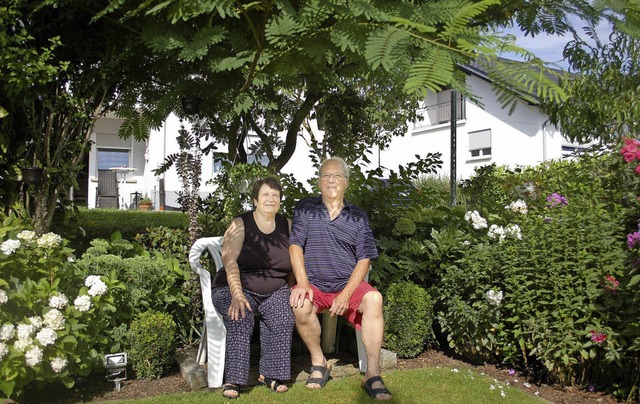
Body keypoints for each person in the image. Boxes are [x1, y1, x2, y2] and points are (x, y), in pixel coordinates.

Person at [289, 157, 392, 400]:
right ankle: (319, 362)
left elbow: (364, 259)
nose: (331, 180)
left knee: (375, 299)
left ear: (346, 182)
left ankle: (372, 374)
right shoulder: (306, 208)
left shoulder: (358, 216)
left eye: (337, 176)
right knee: (299, 304)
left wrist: (346, 294)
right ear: (318, 182)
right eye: (326, 176)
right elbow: (295, 246)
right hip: (314, 284)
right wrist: (302, 283)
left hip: (347, 286)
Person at [211, 177, 294, 399]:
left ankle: (270, 374)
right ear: (255, 199)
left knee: (283, 315)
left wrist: (294, 288)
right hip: (235, 286)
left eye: (275, 195)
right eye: (265, 194)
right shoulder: (240, 224)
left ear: (280, 201)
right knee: (240, 314)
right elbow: (229, 261)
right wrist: (237, 294)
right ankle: (235, 379)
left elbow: (295, 263)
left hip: (275, 288)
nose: (270, 199)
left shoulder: (287, 225)